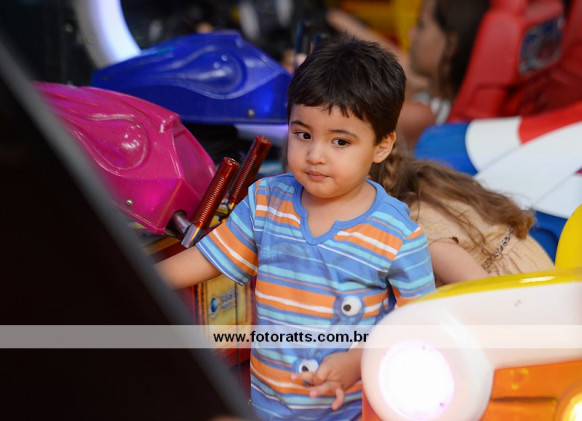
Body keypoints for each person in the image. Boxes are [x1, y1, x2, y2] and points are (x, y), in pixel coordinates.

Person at [157, 34, 435, 420]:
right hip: (266, 405)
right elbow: (209, 257)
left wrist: (357, 361)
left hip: (349, 411)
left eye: (340, 142)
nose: (315, 155)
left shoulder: (397, 234)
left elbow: (419, 321)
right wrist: (136, 277)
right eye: (303, 134)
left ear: (382, 146)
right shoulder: (266, 199)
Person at [369, 141, 555, 287]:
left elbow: (488, 295)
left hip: (521, 303)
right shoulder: (425, 183)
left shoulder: (422, 231)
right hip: (540, 282)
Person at [327, 0, 489, 148]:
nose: (411, 33)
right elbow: (399, 64)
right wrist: (337, 19)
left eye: (421, 25)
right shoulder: (435, 94)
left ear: (451, 45)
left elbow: (331, 118)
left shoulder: (422, 116)